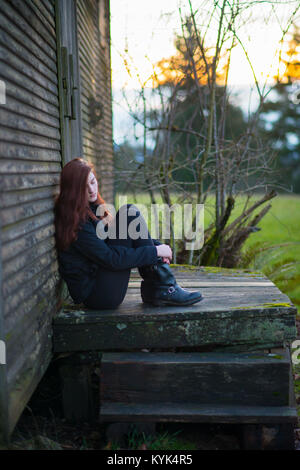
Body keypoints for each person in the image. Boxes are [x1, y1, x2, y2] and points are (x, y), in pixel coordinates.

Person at [54, 158, 203, 309]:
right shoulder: (76, 223)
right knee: (128, 213)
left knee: (128, 215)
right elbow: (111, 259)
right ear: (73, 190)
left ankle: (159, 288)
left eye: (92, 182)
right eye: (84, 187)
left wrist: (158, 247)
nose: (92, 190)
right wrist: (155, 251)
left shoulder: (91, 208)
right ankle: (163, 288)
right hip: (99, 296)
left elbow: (126, 237)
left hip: (103, 279)